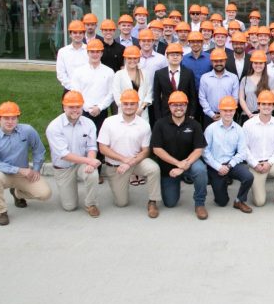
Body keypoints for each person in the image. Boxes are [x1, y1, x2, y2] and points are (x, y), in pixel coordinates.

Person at [0, 102, 52, 226]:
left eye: (13, 118)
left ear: (17, 118)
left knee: (45, 194)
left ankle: (16, 193)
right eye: (6, 118)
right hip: (2, 174)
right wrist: (18, 170)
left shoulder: (27, 130)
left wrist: (36, 169)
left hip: (23, 174)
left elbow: (39, 150)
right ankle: (1, 211)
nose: (10, 121)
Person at [98, 90, 162, 218]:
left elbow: (146, 150)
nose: (128, 107)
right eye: (125, 104)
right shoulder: (109, 122)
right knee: (121, 203)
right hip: (116, 166)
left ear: (137, 105)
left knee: (153, 169)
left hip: (136, 162)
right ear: (120, 104)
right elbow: (102, 148)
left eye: (132, 104)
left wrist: (130, 162)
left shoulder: (144, 125)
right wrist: (124, 160)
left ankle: (153, 201)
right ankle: (122, 184)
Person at [151, 91, 209, 219]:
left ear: (186, 106)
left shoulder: (194, 125)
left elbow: (199, 149)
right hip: (169, 169)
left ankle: (199, 203)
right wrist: (177, 164)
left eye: (182, 105)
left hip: (189, 163)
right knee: (170, 203)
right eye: (175, 105)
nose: (178, 108)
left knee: (200, 170)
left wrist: (183, 167)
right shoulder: (160, 124)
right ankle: (176, 182)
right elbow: (156, 149)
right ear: (169, 106)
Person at [46, 91, 101, 217]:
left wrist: (90, 162)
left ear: (82, 107)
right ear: (64, 107)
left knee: (92, 173)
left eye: (78, 106)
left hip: (81, 164)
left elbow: (91, 147)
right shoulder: (54, 127)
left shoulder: (89, 123)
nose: (75, 110)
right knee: (69, 207)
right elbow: (64, 154)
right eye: (71, 107)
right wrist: (89, 161)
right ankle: (71, 193)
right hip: (63, 167)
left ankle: (91, 203)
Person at [202, 95, 255, 213]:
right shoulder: (210, 129)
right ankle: (221, 184)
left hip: (232, 164)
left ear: (235, 111)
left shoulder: (239, 129)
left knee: (248, 176)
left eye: (230, 110)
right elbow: (205, 152)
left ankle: (239, 201)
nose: (228, 113)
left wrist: (229, 165)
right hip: (216, 165)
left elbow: (242, 152)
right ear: (220, 111)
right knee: (222, 202)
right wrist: (218, 167)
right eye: (225, 110)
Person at [243, 90, 274, 210]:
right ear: (258, 106)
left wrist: (269, 163)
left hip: (271, 162)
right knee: (259, 202)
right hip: (256, 164)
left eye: (270, 104)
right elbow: (244, 148)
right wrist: (254, 164)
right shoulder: (248, 124)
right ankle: (256, 187)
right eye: (263, 104)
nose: (266, 107)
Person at [71, 38, 114, 133]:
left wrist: (99, 107)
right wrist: (87, 108)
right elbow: (76, 93)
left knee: (100, 139)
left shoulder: (109, 72)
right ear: (87, 53)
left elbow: (111, 93)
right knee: (83, 138)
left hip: (101, 111)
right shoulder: (78, 72)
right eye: (92, 52)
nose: (95, 54)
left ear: (102, 53)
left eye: (98, 52)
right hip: (83, 111)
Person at [152, 43, 197, 123]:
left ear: (182, 57)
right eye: (172, 55)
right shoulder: (159, 74)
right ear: (167, 57)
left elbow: (193, 95)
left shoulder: (188, 73)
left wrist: (191, 114)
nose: (175, 57)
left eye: (178, 55)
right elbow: (156, 97)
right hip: (165, 113)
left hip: (184, 113)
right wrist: (158, 116)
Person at [199, 48, 240, 128]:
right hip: (209, 117)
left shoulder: (233, 78)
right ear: (211, 62)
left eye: (221, 61)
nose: (218, 63)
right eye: (216, 61)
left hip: (228, 116)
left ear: (225, 61)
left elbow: (235, 98)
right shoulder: (204, 78)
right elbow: (202, 98)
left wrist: (225, 114)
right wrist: (212, 114)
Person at [112, 45, 153, 122]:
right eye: (129, 58)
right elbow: (117, 94)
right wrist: (129, 109)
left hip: (141, 113)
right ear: (125, 58)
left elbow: (149, 93)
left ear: (139, 59)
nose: (132, 61)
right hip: (124, 113)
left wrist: (141, 109)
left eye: (135, 58)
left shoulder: (145, 74)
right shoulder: (119, 74)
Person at [56, 20, 89, 93]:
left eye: (80, 33)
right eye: (75, 32)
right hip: (69, 90)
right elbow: (61, 74)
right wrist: (72, 87)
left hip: (88, 90)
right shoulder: (63, 52)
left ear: (84, 35)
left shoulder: (90, 50)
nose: (78, 35)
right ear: (70, 34)